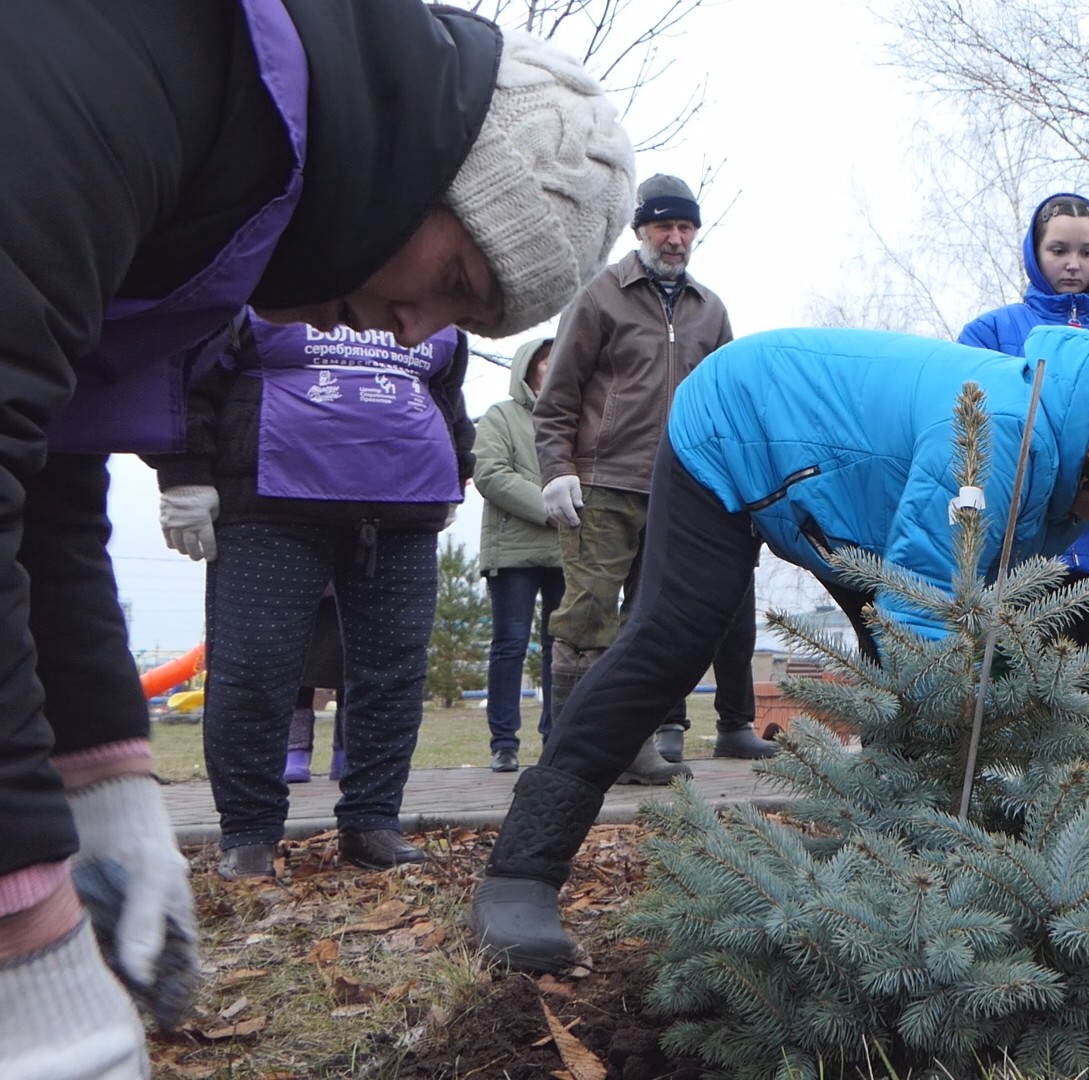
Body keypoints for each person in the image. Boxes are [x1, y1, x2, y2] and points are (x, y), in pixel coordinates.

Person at [0, 4, 630, 1073]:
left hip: (390, 511)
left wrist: (108, 791)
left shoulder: (219, 153)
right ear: (417, 164)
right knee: (257, 667)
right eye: (455, 285)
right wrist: (27, 941)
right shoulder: (128, 71)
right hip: (275, 499)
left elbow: (47, 476)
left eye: (462, 327)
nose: (413, 332)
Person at [469, 324, 1089, 973]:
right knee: (673, 639)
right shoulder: (1004, 433)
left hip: (852, 502)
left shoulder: (1059, 452)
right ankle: (521, 872)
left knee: (894, 662)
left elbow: (959, 607)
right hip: (739, 420)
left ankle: (887, 877)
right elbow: (925, 613)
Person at [150, 311, 474, 880]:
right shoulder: (253, 281)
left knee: (393, 671)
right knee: (253, 667)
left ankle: (372, 819)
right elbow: (187, 375)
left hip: (403, 505)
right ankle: (249, 832)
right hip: (267, 506)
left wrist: (455, 467)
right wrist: (183, 472)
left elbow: (445, 394)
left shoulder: (433, 300)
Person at [535, 174, 776, 786]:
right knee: (586, 618)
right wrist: (557, 470)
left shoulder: (710, 310)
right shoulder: (599, 297)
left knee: (648, 624)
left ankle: (632, 749)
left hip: (679, 491)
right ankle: (567, 755)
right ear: (640, 229)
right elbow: (558, 395)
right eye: (664, 226)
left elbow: (727, 406)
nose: (675, 238)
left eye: (685, 227)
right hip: (602, 485)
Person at [959, 194, 1089, 708]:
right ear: (1035, 253)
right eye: (1059, 250)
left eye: (1086, 252)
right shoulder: (990, 333)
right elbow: (975, 435)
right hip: (1025, 551)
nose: (1073, 264)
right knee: (1021, 704)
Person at [475, 337, 566, 773]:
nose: (554, 365)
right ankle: (504, 743)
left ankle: (556, 738)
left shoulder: (575, 417)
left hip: (566, 549)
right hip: (512, 551)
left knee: (560, 647)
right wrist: (549, 506)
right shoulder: (500, 416)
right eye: (546, 360)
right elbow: (490, 474)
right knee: (509, 646)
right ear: (528, 367)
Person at [283, 589, 348, 783]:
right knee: (296, 663)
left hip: (352, 587)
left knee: (347, 659)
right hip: (297, 588)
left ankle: (346, 750)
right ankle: (295, 751)